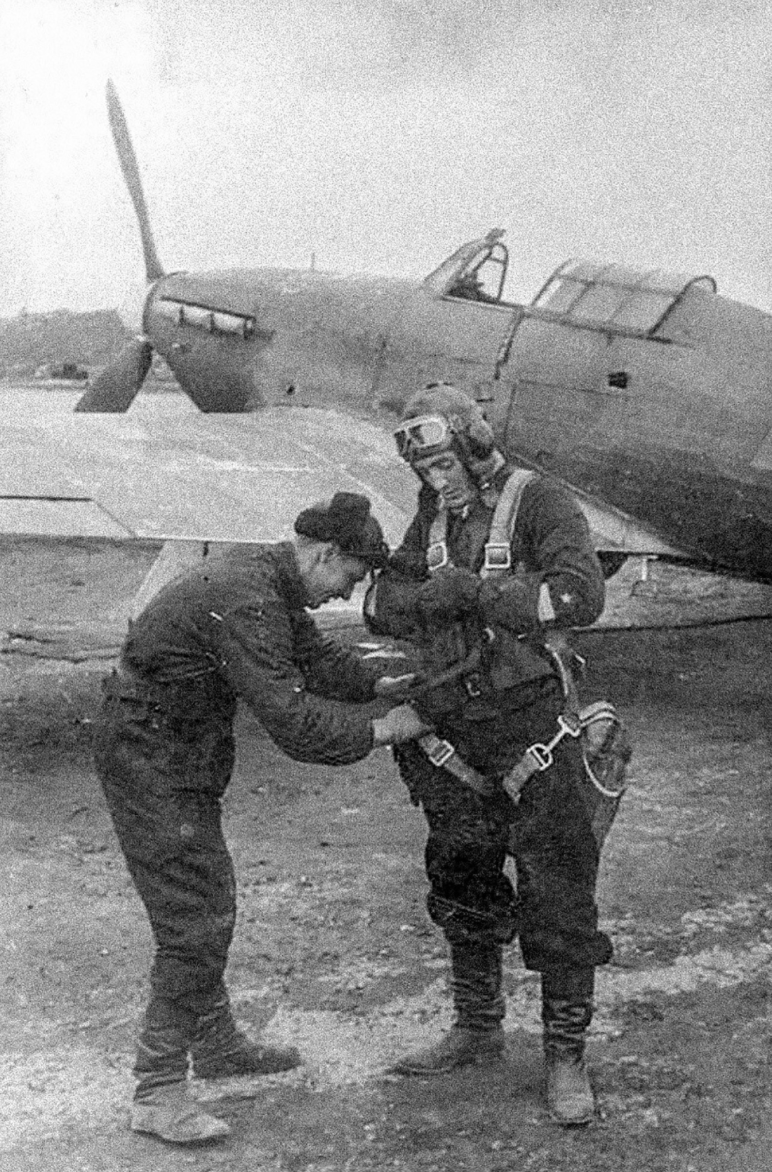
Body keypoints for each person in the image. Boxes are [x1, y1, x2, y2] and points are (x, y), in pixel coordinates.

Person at [93, 492, 427, 1144]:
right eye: (349, 579)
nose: (343, 595)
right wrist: (391, 727)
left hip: (174, 747)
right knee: (196, 914)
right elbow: (295, 724)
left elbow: (314, 658)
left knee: (205, 897)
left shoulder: (268, 579)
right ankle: (157, 1090)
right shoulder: (249, 599)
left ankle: (214, 1044)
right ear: (327, 554)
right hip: (151, 753)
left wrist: (374, 685)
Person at [365, 384, 611, 1126]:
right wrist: (426, 599)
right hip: (454, 743)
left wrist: (476, 594)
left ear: (473, 443)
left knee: (560, 898)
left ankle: (565, 1056)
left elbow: (578, 598)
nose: (435, 480)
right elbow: (383, 599)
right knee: (462, 879)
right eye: (423, 468)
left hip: (538, 736)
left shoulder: (541, 502)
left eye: (444, 462)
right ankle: (476, 1027)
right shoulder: (433, 515)